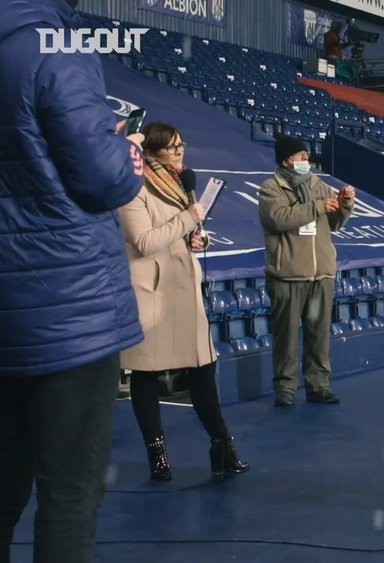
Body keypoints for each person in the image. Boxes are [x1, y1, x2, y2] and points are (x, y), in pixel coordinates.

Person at [0, 0, 146, 561]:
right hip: (68, 311)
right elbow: (102, 177)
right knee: (69, 496)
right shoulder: (59, 50)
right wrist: (124, 148)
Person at [119, 122, 249, 481]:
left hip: (184, 288)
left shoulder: (179, 184)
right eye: (172, 146)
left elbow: (177, 231)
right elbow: (143, 241)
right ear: (153, 150)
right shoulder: (133, 187)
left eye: (182, 145)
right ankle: (157, 456)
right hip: (152, 291)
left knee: (203, 368)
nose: (179, 151)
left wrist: (194, 238)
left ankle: (223, 446)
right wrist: (187, 219)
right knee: (146, 375)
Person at [259, 135, 355, 407]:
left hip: (320, 275)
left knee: (318, 333)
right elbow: (279, 219)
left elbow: (334, 223)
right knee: (286, 335)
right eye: (301, 156)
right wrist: (316, 207)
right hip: (287, 275)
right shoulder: (271, 188)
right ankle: (285, 388)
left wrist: (345, 204)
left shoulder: (318, 185)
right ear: (287, 159)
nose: (306, 161)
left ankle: (318, 385)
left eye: (307, 155)